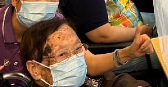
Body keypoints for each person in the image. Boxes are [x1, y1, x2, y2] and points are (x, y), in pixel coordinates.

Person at [20, 18, 152, 87]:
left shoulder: (87, 80)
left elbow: (113, 81)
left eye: (78, 49)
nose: (75, 60)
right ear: (35, 69)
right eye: (62, 54)